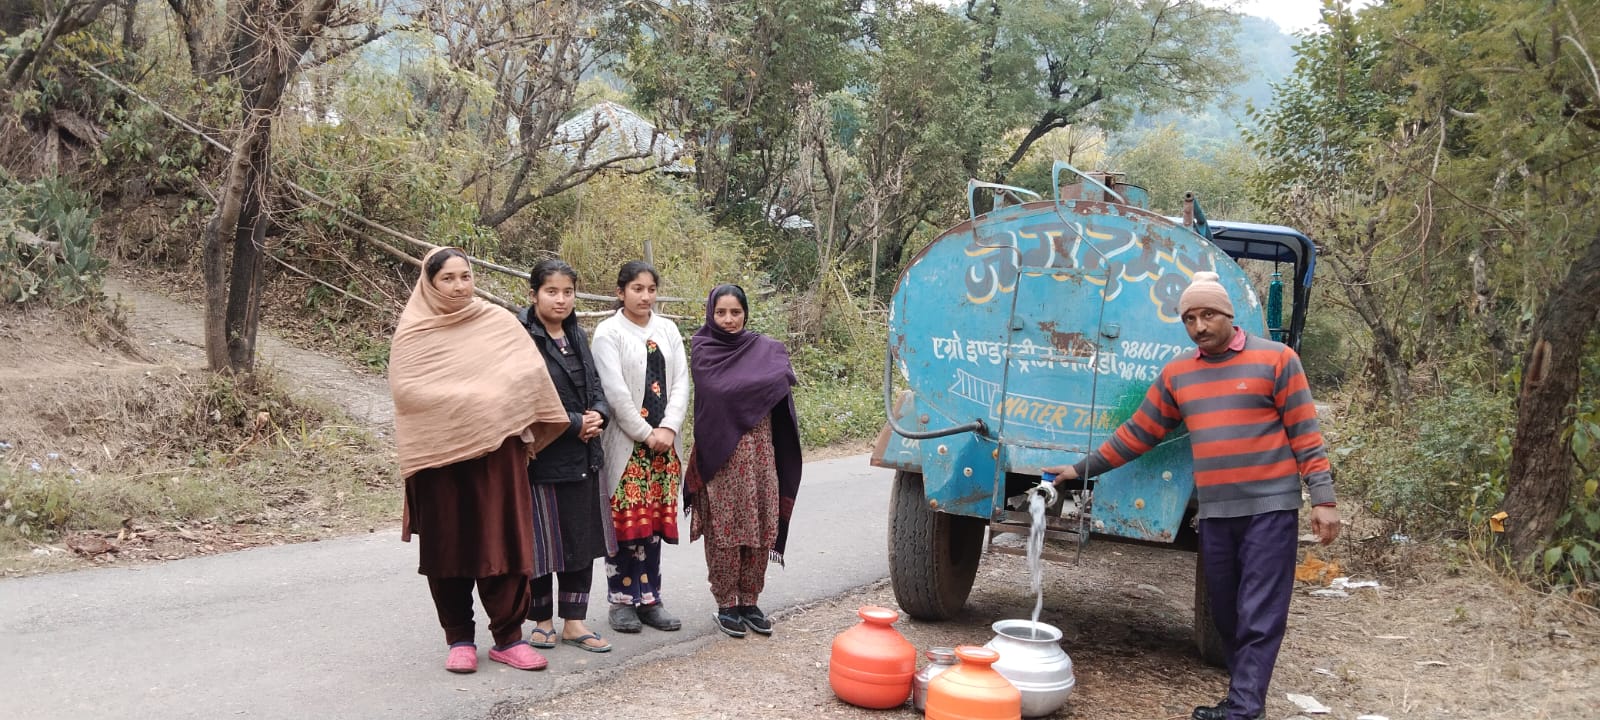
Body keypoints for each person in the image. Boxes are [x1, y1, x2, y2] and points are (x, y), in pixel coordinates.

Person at [1041, 270, 1341, 720]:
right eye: (1189, 319)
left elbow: (1305, 433)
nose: (1199, 326)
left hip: (1270, 509)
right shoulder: (1179, 373)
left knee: (1260, 610)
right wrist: (1082, 469)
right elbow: (1138, 432)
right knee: (1225, 610)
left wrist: (1324, 498)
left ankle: (1243, 705)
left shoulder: (1278, 360)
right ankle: (1243, 696)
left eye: (1207, 315)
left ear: (1228, 314)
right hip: (1218, 513)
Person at [389, 246, 571, 674]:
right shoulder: (414, 332)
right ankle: (459, 638)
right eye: (447, 279)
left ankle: (508, 638)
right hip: (440, 458)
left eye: (465, 277)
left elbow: (527, 375)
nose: (458, 286)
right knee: (448, 545)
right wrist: (475, 400)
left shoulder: (497, 322)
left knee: (501, 540)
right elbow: (407, 392)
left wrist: (492, 402)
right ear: (429, 283)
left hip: (496, 455)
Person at [684, 284, 804, 638]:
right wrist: (756, 383)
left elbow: (782, 376)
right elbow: (719, 391)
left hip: (762, 454)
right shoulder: (703, 350)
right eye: (721, 312)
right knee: (725, 530)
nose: (728, 319)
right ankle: (726, 604)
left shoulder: (766, 349)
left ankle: (749, 600)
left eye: (735, 312)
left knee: (759, 525)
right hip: (722, 457)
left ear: (745, 313)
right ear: (711, 313)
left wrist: (755, 382)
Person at [518, 259, 615, 653]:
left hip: (584, 456)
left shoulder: (577, 333)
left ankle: (574, 622)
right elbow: (524, 396)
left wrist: (600, 413)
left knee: (580, 537)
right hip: (542, 456)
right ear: (534, 294)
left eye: (568, 292)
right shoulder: (522, 337)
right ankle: (542, 621)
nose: (560, 300)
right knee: (542, 542)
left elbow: (596, 384)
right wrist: (575, 422)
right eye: (551, 292)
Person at [591, 260, 689, 634]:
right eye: (637, 289)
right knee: (626, 525)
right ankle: (621, 601)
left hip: (664, 446)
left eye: (650, 289)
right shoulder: (608, 333)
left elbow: (681, 381)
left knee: (651, 525)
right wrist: (646, 433)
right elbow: (614, 392)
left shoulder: (667, 329)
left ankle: (650, 599)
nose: (645, 296)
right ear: (621, 292)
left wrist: (668, 428)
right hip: (629, 445)